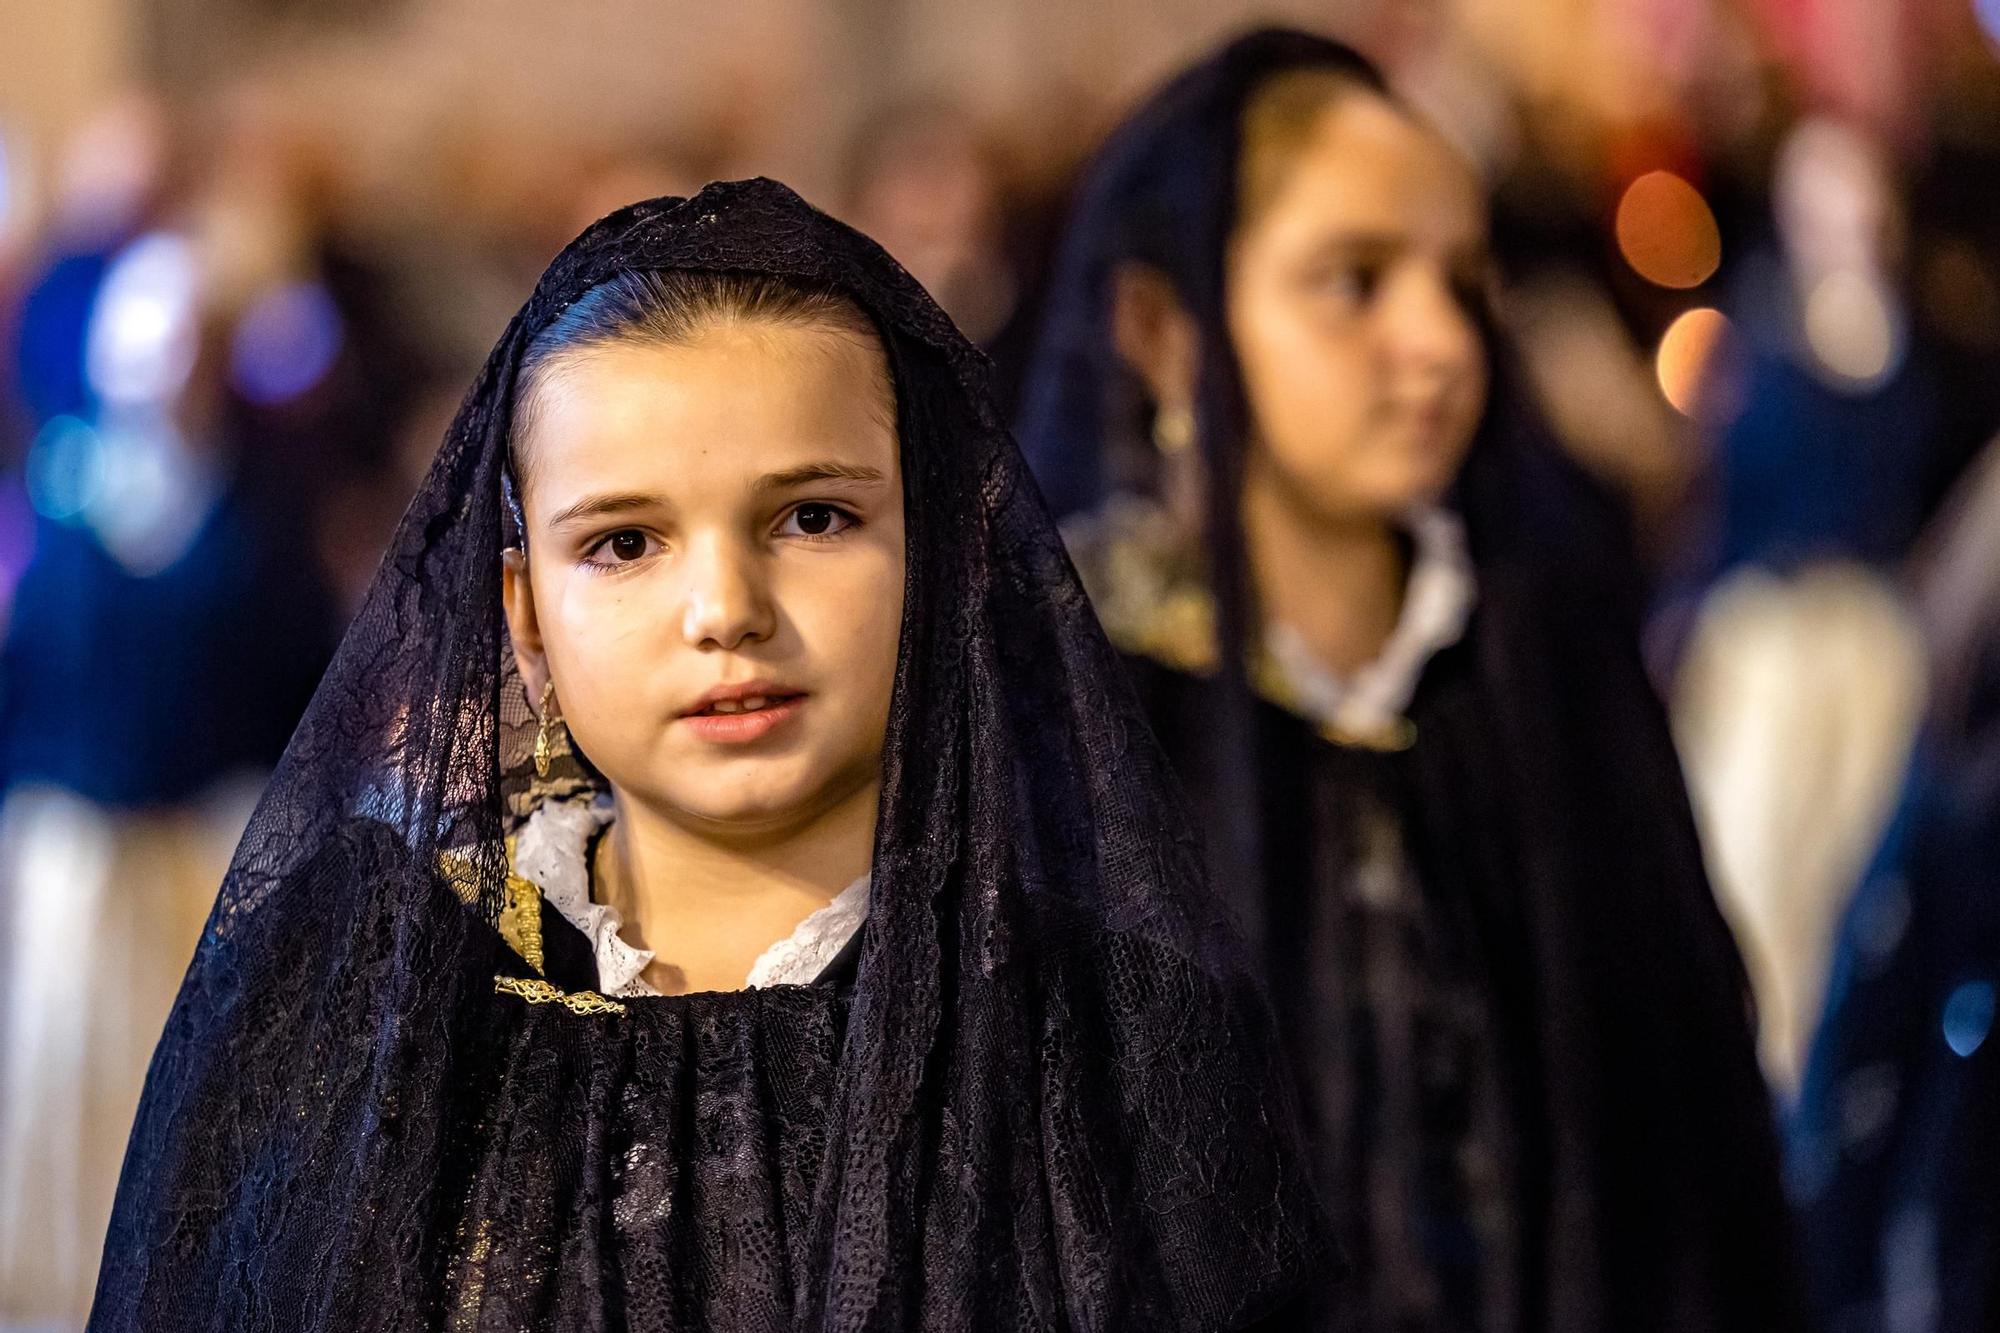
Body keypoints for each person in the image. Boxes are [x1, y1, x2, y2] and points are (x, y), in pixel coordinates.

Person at [88, 178, 1326, 1331]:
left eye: (813, 518)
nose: (725, 607)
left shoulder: (1110, 1035)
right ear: (523, 619)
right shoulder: (369, 1001)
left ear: (941, 560)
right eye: (625, 543)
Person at [1017, 29, 1803, 1332]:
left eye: (1462, 283)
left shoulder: (1542, 666)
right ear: (1161, 333)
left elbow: (1695, 1141)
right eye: (1354, 281)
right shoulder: (1084, 721)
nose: (1436, 344)